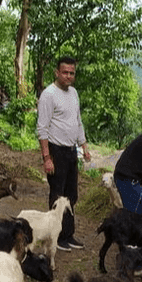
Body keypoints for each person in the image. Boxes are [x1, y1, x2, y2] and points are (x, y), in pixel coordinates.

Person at [37, 56, 91, 252]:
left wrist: (83, 145)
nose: (68, 76)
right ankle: (55, 235)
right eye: (65, 72)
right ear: (57, 73)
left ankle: (68, 234)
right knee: (57, 194)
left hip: (71, 151)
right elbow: (42, 128)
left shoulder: (73, 93)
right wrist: (47, 157)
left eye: (72, 73)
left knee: (71, 195)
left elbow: (77, 120)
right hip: (56, 150)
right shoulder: (49, 95)